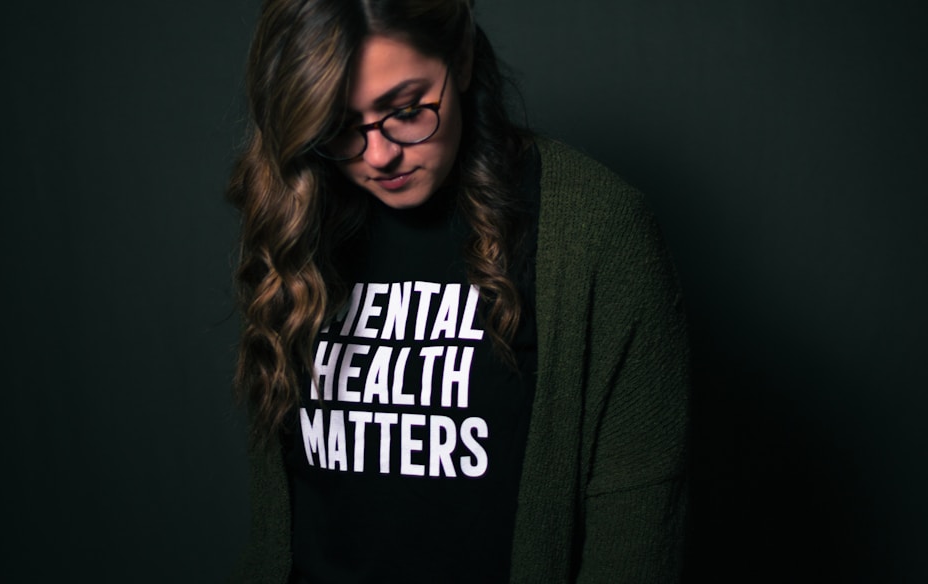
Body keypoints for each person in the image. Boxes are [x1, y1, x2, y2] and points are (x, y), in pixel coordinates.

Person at [226, 0, 690, 582]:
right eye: (340, 125)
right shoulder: (295, 221)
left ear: (462, 58)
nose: (379, 154)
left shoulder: (598, 231)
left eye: (407, 108)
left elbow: (634, 538)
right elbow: (283, 532)